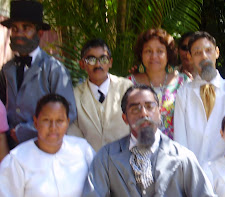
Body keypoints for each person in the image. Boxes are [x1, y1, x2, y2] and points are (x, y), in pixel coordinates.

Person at [83, 85, 215, 197]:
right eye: (135, 109)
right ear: (125, 118)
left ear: (160, 112)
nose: (144, 114)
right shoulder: (106, 158)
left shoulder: (183, 158)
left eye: (149, 106)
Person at [0, 0, 76, 144]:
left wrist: (26, 131)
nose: (18, 34)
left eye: (26, 28)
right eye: (15, 29)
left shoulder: (54, 70)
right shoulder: (6, 69)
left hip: (41, 145)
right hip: (9, 148)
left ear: (39, 33)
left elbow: (69, 113)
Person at [0, 94, 95, 196]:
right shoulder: (16, 161)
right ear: (36, 122)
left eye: (59, 121)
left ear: (67, 122)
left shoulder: (83, 150)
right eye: (46, 120)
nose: (53, 127)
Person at [174, 31, 225, 166]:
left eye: (208, 50)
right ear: (190, 57)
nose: (204, 56)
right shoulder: (184, 92)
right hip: (193, 171)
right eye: (197, 52)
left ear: (217, 52)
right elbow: (180, 139)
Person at [67, 39, 133, 151]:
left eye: (103, 59)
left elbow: (136, 123)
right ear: (82, 64)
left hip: (125, 159)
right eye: (91, 59)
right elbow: (74, 134)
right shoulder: (74, 95)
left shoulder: (126, 87)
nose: (98, 64)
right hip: (90, 162)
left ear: (110, 62)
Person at [128, 28, 188, 139]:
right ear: (141, 54)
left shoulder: (182, 82)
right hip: (139, 148)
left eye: (160, 51)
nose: (154, 56)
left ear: (168, 54)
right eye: (148, 51)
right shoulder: (129, 84)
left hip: (175, 150)